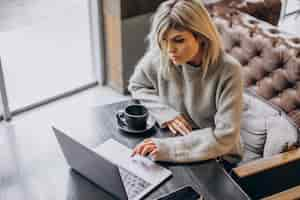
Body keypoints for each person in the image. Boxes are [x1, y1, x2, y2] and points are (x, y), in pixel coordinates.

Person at [128, 0, 244, 164]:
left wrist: (168, 148)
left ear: (201, 37)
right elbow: (137, 85)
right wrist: (166, 114)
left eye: (179, 40)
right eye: (164, 40)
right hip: (176, 139)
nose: (170, 50)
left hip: (217, 155)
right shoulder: (161, 54)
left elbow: (225, 138)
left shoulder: (229, 70)